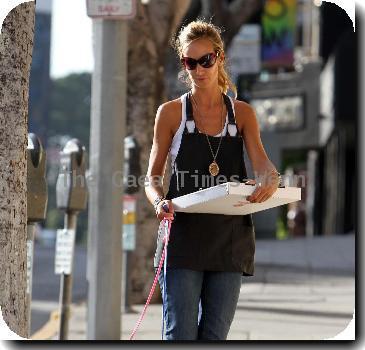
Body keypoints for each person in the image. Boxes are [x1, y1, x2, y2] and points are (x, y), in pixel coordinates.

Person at [145, 19, 280, 341]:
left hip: (230, 240)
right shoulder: (171, 113)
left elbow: (263, 164)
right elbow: (151, 177)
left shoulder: (243, 114)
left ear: (219, 57)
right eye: (190, 62)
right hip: (183, 239)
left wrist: (271, 179)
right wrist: (159, 201)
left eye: (205, 60)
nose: (198, 69)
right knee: (180, 334)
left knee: (215, 336)